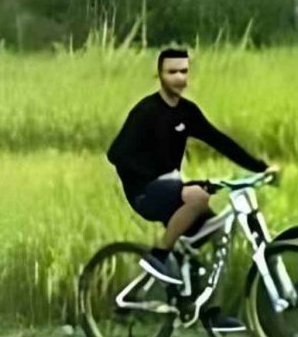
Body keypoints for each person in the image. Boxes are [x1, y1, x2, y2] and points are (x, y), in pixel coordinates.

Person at [107, 47, 276, 291]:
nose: (178, 78)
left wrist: (261, 168)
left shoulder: (188, 112)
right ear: (160, 75)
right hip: (143, 192)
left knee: (220, 235)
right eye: (172, 72)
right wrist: (158, 177)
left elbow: (220, 142)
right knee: (198, 196)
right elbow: (116, 154)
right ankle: (159, 256)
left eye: (183, 72)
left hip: (172, 188)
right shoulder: (146, 111)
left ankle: (207, 309)